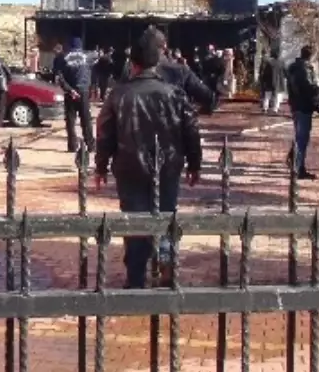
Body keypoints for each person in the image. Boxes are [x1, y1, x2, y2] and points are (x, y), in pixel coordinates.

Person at [94, 28, 202, 289]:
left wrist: (101, 166)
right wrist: (194, 163)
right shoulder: (174, 93)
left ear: (134, 64)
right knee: (166, 214)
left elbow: (105, 132)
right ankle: (166, 262)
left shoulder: (118, 94)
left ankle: (136, 276)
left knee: (135, 221)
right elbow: (191, 128)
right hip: (167, 164)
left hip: (130, 166)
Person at [286, 45, 319, 180]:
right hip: (303, 107)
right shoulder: (304, 69)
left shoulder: (295, 67)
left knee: (300, 136)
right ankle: (298, 167)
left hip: (298, 105)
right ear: (312, 56)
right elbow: (308, 89)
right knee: (302, 138)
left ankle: (295, 161)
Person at [155, 33, 217, 114]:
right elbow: (209, 97)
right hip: (173, 122)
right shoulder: (181, 70)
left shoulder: (135, 73)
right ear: (165, 46)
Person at [52, 37, 95, 152]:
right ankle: (90, 145)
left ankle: (72, 146)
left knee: (70, 120)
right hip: (84, 91)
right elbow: (96, 61)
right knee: (86, 119)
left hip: (70, 92)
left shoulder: (63, 58)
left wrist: (70, 90)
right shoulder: (88, 57)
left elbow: (59, 77)